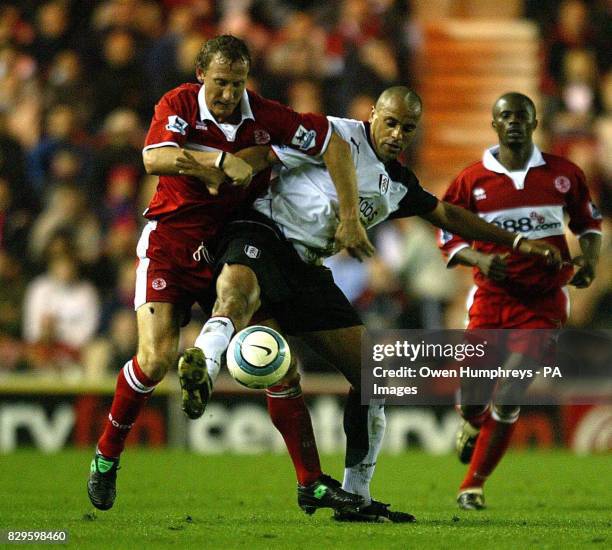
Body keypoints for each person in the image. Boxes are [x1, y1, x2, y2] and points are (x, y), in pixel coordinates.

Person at [174, 86, 562, 522]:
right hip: (262, 231)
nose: (397, 134)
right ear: (373, 114)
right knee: (237, 295)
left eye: (408, 128)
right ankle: (203, 368)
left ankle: (356, 496)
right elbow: (268, 153)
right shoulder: (336, 134)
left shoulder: (397, 184)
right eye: (391, 122)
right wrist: (228, 173)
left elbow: (449, 215)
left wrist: (517, 241)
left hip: (307, 269)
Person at [87, 34, 373, 513]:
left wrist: (349, 215)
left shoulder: (263, 116)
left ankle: (311, 482)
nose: (227, 94)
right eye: (220, 82)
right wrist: (216, 161)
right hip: (171, 244)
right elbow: (153, 157)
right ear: (202, 74)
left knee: (276, 357)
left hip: (231, 246)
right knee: (155, 361)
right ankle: (106, 457)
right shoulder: (178, 103)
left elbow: (334, 143)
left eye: (237, 83)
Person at [438, 92, 602, 510]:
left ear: (534, 121)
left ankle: (472, 485)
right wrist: (478, 258)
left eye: (521, 115)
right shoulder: (471, 180)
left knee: (511, 390)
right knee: (473, 396)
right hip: (491, 300)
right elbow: (447, 232)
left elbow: (588, 223)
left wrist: (589, 261)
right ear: (494, 124)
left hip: (543, 303)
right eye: (505, 116)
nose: (513, 122)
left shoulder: (564, 174)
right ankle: (473, 423)